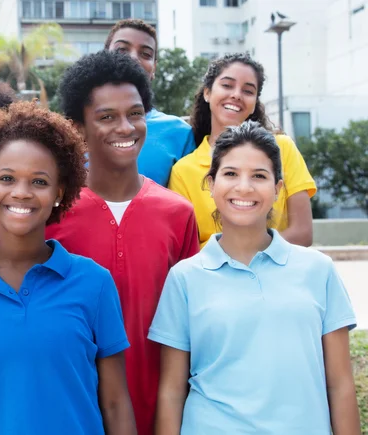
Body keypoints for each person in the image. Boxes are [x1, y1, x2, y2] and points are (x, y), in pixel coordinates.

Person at [0, 101, 137, 435]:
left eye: (38, 181)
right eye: (7, 178)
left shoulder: (94, 283)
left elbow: (115, 404)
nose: (21, 193)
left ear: (59, 193)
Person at [150, 121, 360, 435]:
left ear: (277, 189)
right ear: (212, 184)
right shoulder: (184, 278)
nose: (244, 187)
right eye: (231, 173)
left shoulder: (319, 270)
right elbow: (171, 392)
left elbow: (341, 386)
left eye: (259, 176)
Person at [47, 50, 199, 435]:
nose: (126, 127)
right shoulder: (52, 216)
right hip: (72, 414)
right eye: (106, 117)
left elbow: (191, 324)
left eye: (135, 114)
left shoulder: (177, 213)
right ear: (78, 127)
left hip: (162, 413)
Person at [169, 52, 316, 248]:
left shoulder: (283, 148)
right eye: (227, 85)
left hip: (279, 275)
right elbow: (186, 249)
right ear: (207, 92)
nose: (236, 95)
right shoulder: (183, 171)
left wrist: (248, 259)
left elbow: (302, 234)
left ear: (255, 102)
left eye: (248, 91)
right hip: (214, 278)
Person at [105, 18, 195, 186]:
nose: (133, 58)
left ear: (154, 68)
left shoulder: (180, 133)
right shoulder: (76, 128)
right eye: (122, 49)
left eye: (145, 54)